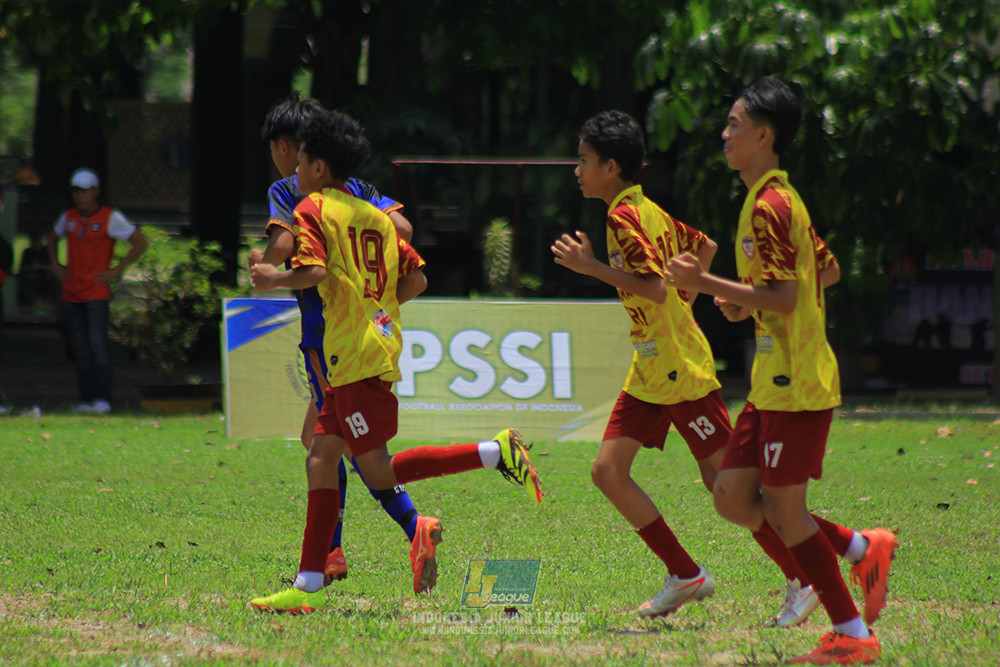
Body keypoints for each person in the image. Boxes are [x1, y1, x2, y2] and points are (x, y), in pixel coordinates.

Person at [248, 108, 542, 614]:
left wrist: (273, 280)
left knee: (377, 471)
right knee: (319, 457)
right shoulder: (375, 217)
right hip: (362, 352)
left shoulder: (312, 210)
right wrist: (374, 310)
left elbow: (313, 270)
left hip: (354, 357)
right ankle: (309, 581)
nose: (293, 170)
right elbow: (418, 280)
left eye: (301, 162)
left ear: (318, 168)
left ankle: (493, 452)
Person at [665, 77, 897, 664]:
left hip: (798, 383)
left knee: (784, 512)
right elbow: (827, 270)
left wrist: (708, 284)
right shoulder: (771, 199)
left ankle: (853, 634)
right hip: (774, 383)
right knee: (730, 495)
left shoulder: (769, 205)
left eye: (735, 124)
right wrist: (748, 297)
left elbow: (790, 297)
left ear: (764, 135)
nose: (724, 134)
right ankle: (860, 547)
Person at [551, 110, 730, 619]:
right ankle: (686, 573)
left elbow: (653, 288)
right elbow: (705, 249)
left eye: (583, 161)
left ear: (610, 166)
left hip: (676, 367)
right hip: (651, 368)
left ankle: (812, 567)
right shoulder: (645, 209)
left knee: (729, 487)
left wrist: (591, 268)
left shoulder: (624, 216)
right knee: (608, 471)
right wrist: (683, 304)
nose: (577, 170)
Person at [252, 94, 431, 594]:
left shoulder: (294, 192)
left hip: (328, 337)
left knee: (349, 450)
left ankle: (400, 530)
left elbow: (289, 249)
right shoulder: (358, 189)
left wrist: (267, 269)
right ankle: (331, 554)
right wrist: (376, 300)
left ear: (292, 150)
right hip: (363, 331)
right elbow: (402, 228)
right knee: (321, 443)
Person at [47, 168, 147, 414]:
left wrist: (117, 270)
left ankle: (102, 398)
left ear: (96, 192)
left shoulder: (109, 217)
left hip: (96, 292)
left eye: (84, 191)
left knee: (98, 345)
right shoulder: (68, 216)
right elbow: (52, 238)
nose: (79, 196)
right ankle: (85, 398)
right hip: (71, 291)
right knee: (79, 348)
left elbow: (140, 241)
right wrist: (57, 266)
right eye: (75, 191)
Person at [17, 232, 60, 318]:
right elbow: (23, 267)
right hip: (31, 280)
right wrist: (32, 268)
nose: (37, 244)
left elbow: (54, 266)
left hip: (47, 281)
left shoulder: (46, 252)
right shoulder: (28, 252)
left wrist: (41, 267)